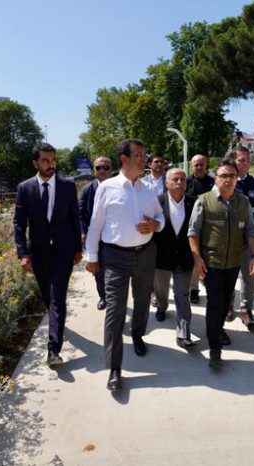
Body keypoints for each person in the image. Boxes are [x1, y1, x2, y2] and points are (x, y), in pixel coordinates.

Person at [85, 138, 165, 392]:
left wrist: (155, 225)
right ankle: (114, 368)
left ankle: (138, 335)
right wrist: (92, 257)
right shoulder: (107, 188)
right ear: (124, 158)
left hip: (146, 254)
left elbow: (160, 216)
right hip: (115, 258)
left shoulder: (148, 189)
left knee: (142, 302)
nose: (144, 159)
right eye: (139, 155)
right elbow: (95, 224)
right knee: (115, 310)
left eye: (144, 155)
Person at [13, 143, 82, 368]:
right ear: (35, 163)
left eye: (53, 160)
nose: (51, 164)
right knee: (47, 296)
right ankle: (56, 321)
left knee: (57, 297)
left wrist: (78, 249)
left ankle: (53, 349)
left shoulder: (67, 186)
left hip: (63, 251)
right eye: (45, 160)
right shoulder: (24, 188)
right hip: (39, 253)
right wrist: (23, 254)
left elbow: (74, 218)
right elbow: (19, 223)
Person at [188, 158, 254, 369]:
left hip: (233, 262)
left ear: (237, 178)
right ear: (216, 178)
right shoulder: (203, 201)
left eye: (232, 176)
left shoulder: (243, 202)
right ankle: (215, 349)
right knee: (215, 302)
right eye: (224, 175)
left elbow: (251, 230)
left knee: (226, 301)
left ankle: (218, 329)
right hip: (211, 262)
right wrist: (197, 258)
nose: (228, 180)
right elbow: (193, 232)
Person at [152, 168, 197, 348]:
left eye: (182, 179)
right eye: (175, 179)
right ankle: (162, 306)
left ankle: (183, 333)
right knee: (161, 290)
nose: (179, 182)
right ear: (166, 183)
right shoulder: (157, 202)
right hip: (162, 258)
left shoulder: (194, 202)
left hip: (184, 257)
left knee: (182, 294)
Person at [231, 146, 254, 331]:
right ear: (233, 161)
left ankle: (246, 309)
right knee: (229, 274)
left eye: (248, 160)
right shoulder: (226, 180)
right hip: (230, 238)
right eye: (241, 160)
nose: (245, 163)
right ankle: (228, 306)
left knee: (249, 275)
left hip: (249, 237)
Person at [78, 156, 113, 310]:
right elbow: (80, 213)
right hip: (96, 237)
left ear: (111, 170)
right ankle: (103, 296)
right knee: (98, 269)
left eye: (106, 167)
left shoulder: (119, 187)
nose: (102, 170)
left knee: (115, 269)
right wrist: (83, 232)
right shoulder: (87, 189)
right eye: (99, 167)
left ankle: (114, 298)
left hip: (114, 237)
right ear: (94, 170)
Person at [185, 154, 214, 304]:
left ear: (206, 165)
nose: (199, 167)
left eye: (202, 164)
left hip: (209, 226)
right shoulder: (186, 182)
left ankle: (209, 284)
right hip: (191, 227)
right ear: (191, 166)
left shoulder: (213, 182)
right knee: (194, 256)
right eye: (196, 165)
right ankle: (193, 288)